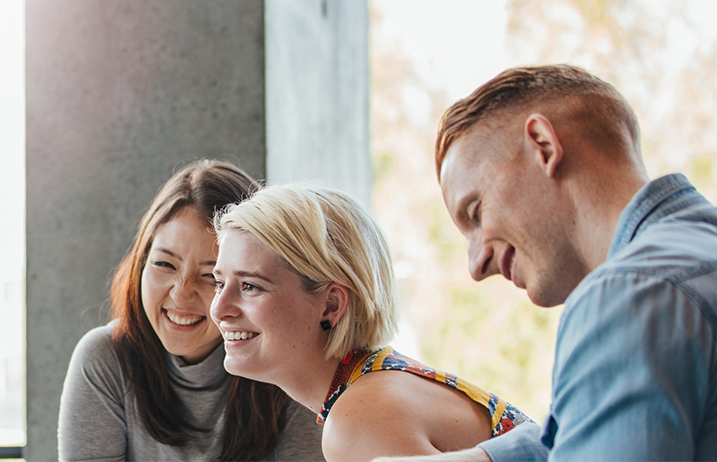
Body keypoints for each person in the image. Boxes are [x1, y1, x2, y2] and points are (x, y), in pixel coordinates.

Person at [427, 64, 717, 461]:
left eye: (476, 213)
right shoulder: (698, 259)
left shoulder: (628, 297)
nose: (476, 265)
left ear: (544, 146)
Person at [209, 184, 533, 462]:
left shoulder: (360, 420)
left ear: (331, 304)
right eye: (219, 283)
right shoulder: (373, 385)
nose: (218, 309)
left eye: (250, 286)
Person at [58, 160, 325, 461]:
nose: (182, 293)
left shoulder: (291, 363)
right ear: (141, 263)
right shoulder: (106, 359)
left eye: (212, 276)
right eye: (164, 264)